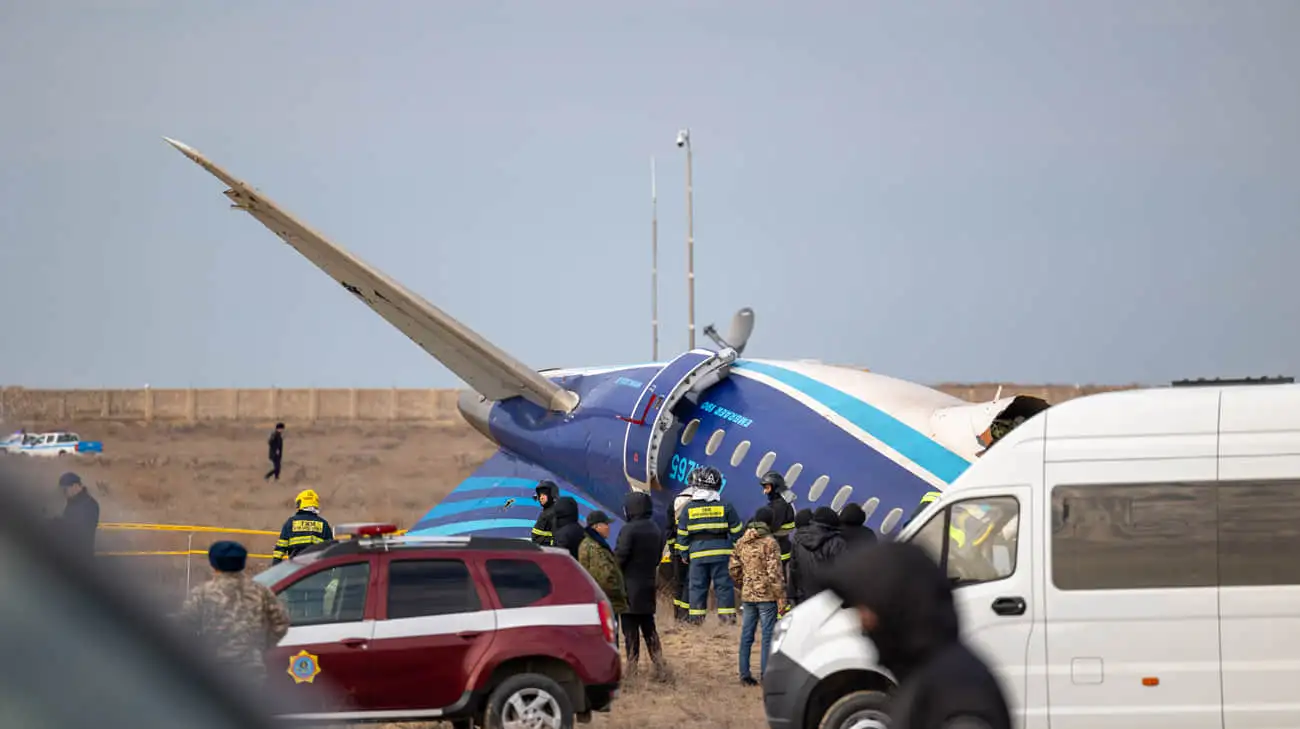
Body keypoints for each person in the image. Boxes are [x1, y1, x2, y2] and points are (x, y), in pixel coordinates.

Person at [821, 541, 1012, 729]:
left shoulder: (956, 689)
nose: (862, 622)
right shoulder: (924, 676)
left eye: (867, 609)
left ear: (895, 604)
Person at [176, 541, 291, 685]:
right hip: (251, 668)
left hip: (214, 668)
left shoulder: (203, 593)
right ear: (243, 563)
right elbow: (280, 622)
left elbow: (184, 627)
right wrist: (260, 645)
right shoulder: (261, 591)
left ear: (213, 564)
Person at [676, 466, 743, 625]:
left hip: (698, 554)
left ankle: (696, 621)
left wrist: (684, 554)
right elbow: (737, 532)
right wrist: (737, 552)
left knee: (697, 588)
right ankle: (727, 621)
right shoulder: (726, 506)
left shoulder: (689, 508)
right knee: (724, 588)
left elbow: (683, 534)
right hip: (722, 553)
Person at [729, 506, 787, 686]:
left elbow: (733, 568)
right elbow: (774, 574)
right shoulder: (770, 543)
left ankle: (744, 674)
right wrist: (780, 597)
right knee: (767, 636)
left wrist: (745, 583)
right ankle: (766, 674)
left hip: (748, 596)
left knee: (747, 635)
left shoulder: (741, 542)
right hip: (767, 597)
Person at [615, 491, 666, 675]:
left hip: (629, 586)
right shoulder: (655, 529)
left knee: (629, 629)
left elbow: (620, 556)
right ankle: (660, 665)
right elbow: (658, 557)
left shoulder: (629, 529)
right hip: (648, 584)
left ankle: (632, 668)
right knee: (648, 626)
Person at [577, 510, 629, 627]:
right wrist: (619, 592)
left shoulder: (590, 544)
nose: (608, 528)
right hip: (607, 603)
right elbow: (604, 577)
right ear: (596, 526)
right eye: (606, 524)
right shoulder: (596, 548)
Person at [788, 506, 848, 604]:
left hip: (805, 599)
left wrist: (792, 595)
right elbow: (843, 574)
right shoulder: (837, 542)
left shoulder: (799, 539)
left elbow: (793, 569)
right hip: (830, 601)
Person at [272, 489, 333, 563]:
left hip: (295, 566)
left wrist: (275, 565)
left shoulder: (291, 523)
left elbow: (280, 548)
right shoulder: (323, 524)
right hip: (315, 567)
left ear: (300, 503)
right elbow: (330, 549)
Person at [52, 472, 99, 561]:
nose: (64, 493)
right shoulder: (75, 502)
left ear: (75, 486)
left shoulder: (88, 504)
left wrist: (57, 524)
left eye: (65, 489)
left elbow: (77, 529)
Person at [668, 485, 697, 621]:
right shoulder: (699, 503)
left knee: (678, 582)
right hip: (692, 549)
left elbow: (669, 529)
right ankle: (685, 616)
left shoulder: (675, 501)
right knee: (689, 582)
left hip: (677, 551)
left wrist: (673, 548)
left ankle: (677, 615)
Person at [759, 471, 797, 567]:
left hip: (778, 550)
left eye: (767, 488)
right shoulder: (784, 502)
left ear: (775, 487)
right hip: (783, 546)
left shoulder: (778, 506)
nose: (764, 492)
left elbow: (773, 527)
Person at [530, 479, 560, 546]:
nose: (541, 498)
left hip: (547, 550)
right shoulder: (547, 511)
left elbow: (556, 538)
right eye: (540, 495)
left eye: (544, 495)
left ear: (552, 494)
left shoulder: (553, 513)